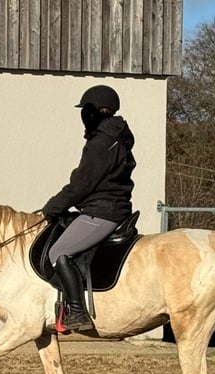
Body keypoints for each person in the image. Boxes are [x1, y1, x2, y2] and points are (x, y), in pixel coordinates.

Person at [41, 84, 136, 332]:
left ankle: (77, 311)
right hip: (109, 207)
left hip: (103, 211)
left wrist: (53, 206)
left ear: (94, 112)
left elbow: (82, 183)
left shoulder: (102, 142)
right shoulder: (115, 138)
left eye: (85, 111)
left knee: (58, 252)